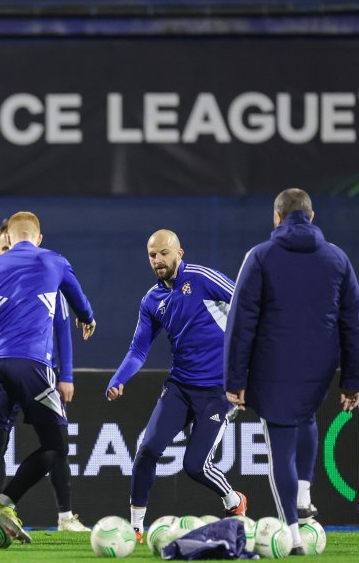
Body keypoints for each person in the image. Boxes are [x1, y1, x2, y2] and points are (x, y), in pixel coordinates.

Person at [225, 188, 359, 555]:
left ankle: (293, 533)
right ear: (311, 216)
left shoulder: (259, 257)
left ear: (277, 217)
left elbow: (241, 324)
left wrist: (234, 381)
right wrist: (352, 380)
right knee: (306, 418)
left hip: (272, 368)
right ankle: (304, 494)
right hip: (318, 368)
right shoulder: (338, 259)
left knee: (280, 447)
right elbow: (354, 325)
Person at [0, 211, 96, 550]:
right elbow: (78, 301)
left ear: (7, 238)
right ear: (38, 237)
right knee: (56, 446)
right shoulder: (54, 261)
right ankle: (4, 502)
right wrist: (88, 318)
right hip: (34, 367)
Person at [106, 229, 247, 543]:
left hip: (219, 392)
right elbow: (138, 350)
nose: (158, 260)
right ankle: (136, 530)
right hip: (180, 386)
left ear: (180, 253)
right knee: (146, 451)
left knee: (195, 466)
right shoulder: (151, 300)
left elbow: (247, 303)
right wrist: (119, 378)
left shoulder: (202, 278)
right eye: (152, 255)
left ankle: (234, 501)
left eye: (164, 253)